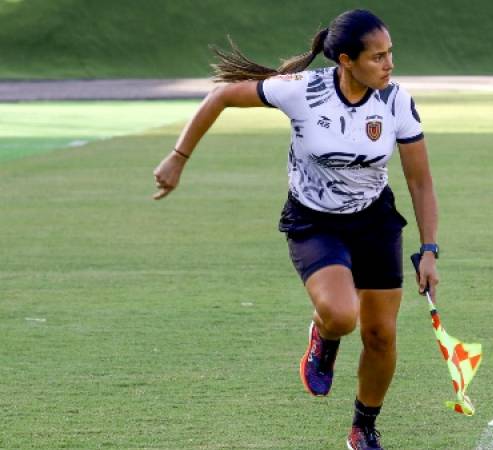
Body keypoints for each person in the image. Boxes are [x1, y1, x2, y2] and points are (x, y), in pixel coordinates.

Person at [152, 9, 440, 450]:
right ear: (346, 60)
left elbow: (420, 180)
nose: (389, 64)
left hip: (374, 221)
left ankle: (363, 427)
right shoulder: (304, 91)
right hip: (314, 220)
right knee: (342, 316)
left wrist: (430, 249)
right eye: (378, 56)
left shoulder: (396, 100)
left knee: (381, 336)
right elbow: (222, 97)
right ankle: (323, 338)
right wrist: (178, 157)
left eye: (390, 54)